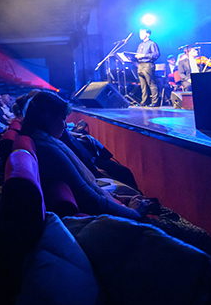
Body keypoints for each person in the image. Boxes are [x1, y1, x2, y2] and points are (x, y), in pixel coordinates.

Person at [20, 91, 144, 220]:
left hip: (101, 198)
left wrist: (116, 197)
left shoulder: (42, 140)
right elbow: (90, 198)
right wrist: (135, 213)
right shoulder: (49, 149)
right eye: (62, 118)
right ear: (48, 117)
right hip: (99, 214)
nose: (65, 124)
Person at [134, 28, 160, 107]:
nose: (140, 35)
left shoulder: (152, 43)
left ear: (148, 34)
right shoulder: (140, 44)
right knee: (143, 85)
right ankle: (144, 101)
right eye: (139, 34)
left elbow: (156, 55)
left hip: (148, 65)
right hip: (140, 65)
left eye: (142, 33)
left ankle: (155, 101)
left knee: (151, 83)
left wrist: (143, 55)